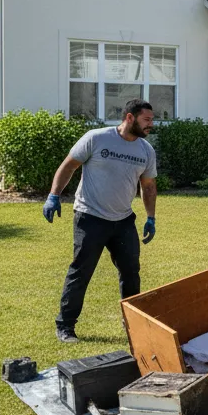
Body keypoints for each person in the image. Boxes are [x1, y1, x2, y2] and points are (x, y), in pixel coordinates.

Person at [43, 99, 158, 343]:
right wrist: (54, 195)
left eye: (151, 119)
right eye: (146, 119)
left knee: (131, 273)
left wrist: (151, 217)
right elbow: (69, 166)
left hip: (123, 220)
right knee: (81, 271)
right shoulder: (97, 138)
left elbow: (147, 187)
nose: (151, 124)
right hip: (90, 217)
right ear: (130, 117)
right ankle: (65, 326)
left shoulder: (146, 150)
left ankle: (132, 324)